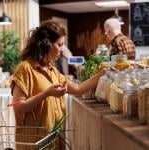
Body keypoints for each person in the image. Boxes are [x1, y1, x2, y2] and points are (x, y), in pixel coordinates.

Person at [11, 20, 105, 149]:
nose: (62, 50)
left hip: (53, 139)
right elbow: (18, 107)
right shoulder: (25, 69)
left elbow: (78, 89)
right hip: (34, 142)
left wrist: (102, 74)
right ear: (47, 44)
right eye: (59, 45)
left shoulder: (53, 70)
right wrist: (46, 93)